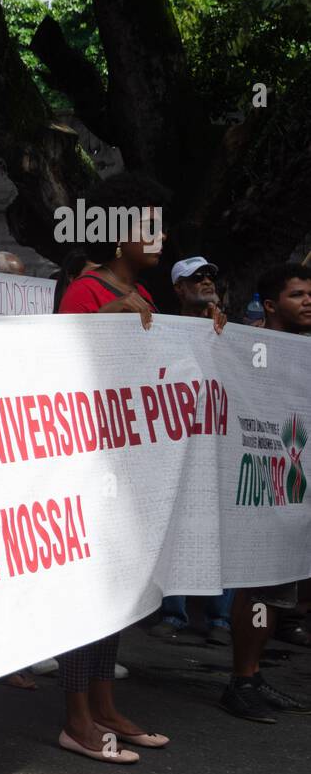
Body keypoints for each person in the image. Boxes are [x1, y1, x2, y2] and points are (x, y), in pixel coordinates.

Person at [55, 172, 171, 763]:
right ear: (120, 232)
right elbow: (66, 376)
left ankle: (104, 706)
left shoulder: (145, 297)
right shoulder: (86, 293)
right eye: (149, 226)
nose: (161, 236)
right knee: (87, 593)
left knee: (117, 593)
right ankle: (76, 718)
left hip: (129, 468)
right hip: (91, 469)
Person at [221, 263, 311, 722]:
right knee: (258, 588)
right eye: (297, 295)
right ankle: (241, 681)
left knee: (279, 591)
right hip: (262, 488)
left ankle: (253, 676)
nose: (308, 301)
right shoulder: (249, 347)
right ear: (272, 304)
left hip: (296, 490)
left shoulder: (304, 352)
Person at [150, 256, 233, 645]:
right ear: (178, 289)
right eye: (194, 278)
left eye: (209, 276)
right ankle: (174, 612)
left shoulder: (233, 333)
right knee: (177, 524)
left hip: (221, 445)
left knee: (224, 528)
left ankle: (221, 618)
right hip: (180, 445)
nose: (204, 281)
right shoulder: (162, 330)